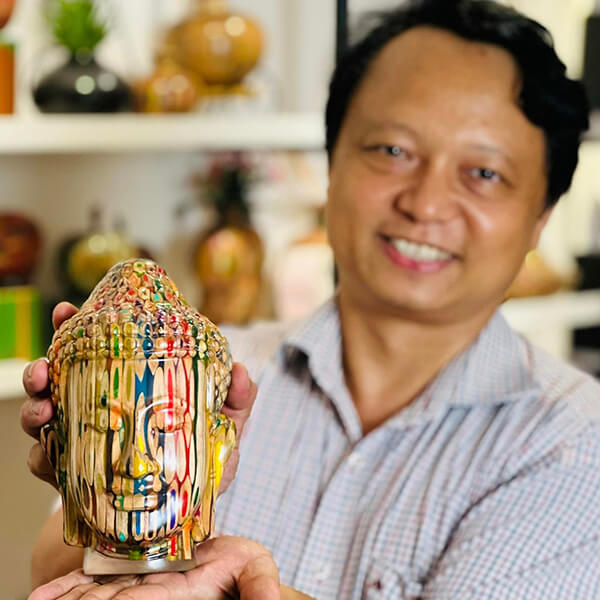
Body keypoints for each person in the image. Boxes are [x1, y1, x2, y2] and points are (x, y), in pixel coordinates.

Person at [21, 0, 600, 598]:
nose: (425, 204)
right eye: (393, 151)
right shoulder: (214, 377)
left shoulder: (575, 444)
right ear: (332, 162)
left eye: (484, 173)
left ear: (541, 216)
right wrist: (92, 487)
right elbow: (53, 576)